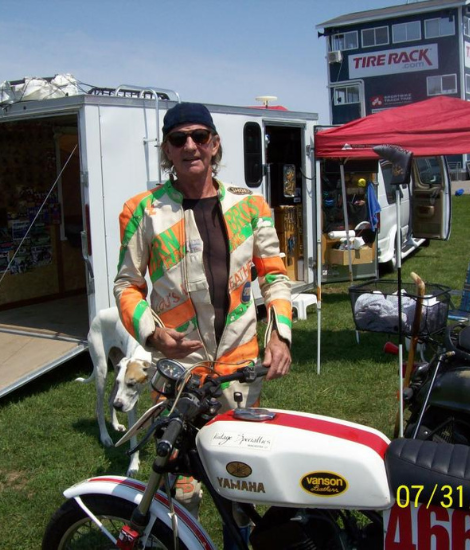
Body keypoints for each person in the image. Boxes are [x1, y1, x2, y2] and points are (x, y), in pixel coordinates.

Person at [114, 101, 292, 545]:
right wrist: (153, 333)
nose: (190, 146)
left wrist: (281, 337)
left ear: (214, 144)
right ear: (166, 151)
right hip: (178, 372)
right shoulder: (143, 210)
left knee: (241, 477)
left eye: (199, 136)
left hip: (239, 367)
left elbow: (274, 274)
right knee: (182, 482)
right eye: (179, 139)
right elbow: (126, 286)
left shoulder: (250, 206)